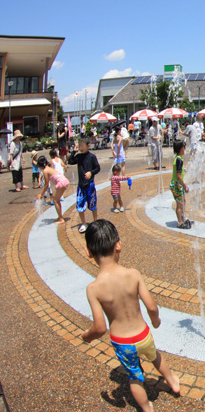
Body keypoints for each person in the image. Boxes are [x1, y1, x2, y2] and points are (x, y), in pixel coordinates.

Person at [80, 220, 180, 411]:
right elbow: (151, 306)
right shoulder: (133, 274)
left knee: (134, 377)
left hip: (123, 341)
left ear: (88, 252)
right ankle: (172, 381)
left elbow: (100, 327)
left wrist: (87, 336)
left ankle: (146, 407)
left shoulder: (93, 289)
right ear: (119, 244)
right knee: (155, 357)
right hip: (142, 333)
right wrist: (155, 320)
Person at [67, 138, 100, 233]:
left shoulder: (92, 157)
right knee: (80, 204)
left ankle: (95, 221)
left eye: (82, 145)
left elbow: (97, 168)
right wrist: (74, 152)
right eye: (79, 146)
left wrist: (91, 172)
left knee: (92, 203)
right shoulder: (79, 157)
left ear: (88, 145)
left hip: (90, 184)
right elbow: (70, 161)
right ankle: (84, 223)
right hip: (81, 185)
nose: (80, 148)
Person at [36, 156, 69, 224]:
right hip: (64, 181)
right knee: (57, 200)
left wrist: (41, 194)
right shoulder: (49, 168)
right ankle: (60, 216)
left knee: (55, 200)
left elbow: (46, 185)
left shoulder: (45, 171)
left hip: (61, 183)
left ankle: (61, 219)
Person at [170, 140, 191, 229]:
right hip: (177, 184)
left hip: (177, 184)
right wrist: (184, 185)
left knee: (183, 202)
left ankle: (183, 218)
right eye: (184, 147)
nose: (185, 149)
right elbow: (178, 176)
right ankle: (180, 222)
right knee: (179, 204)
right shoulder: (179, 160)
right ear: (180, 148)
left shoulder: (178, 158)